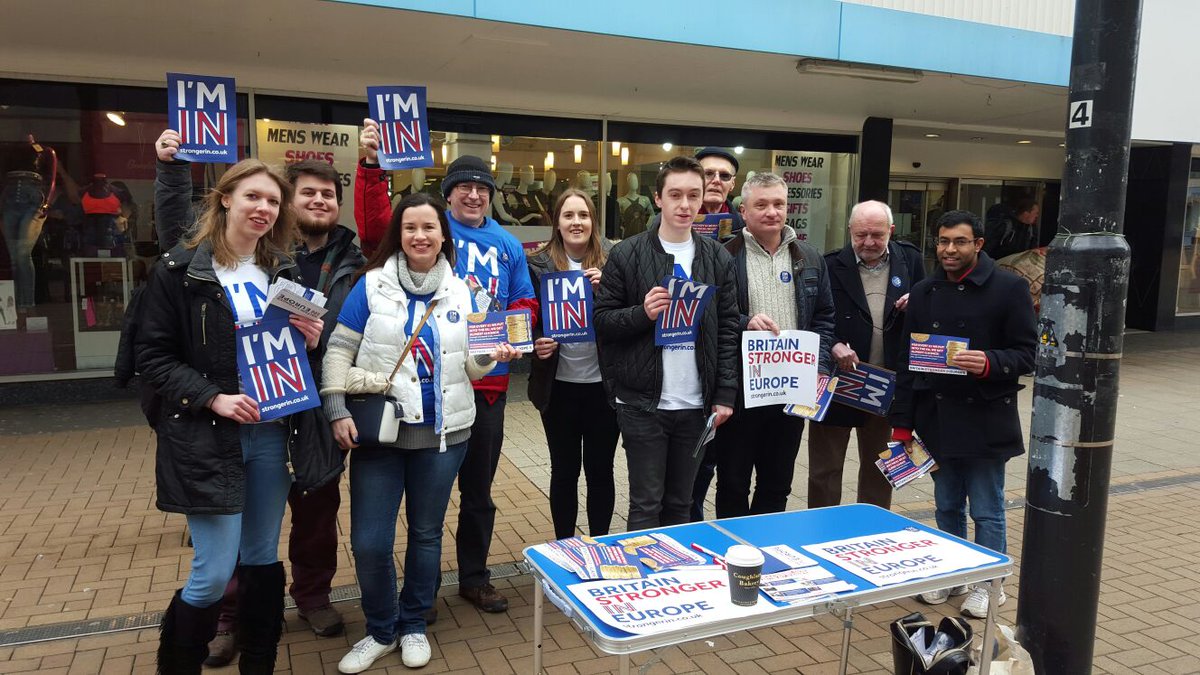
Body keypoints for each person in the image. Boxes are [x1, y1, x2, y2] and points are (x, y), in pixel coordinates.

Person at [153, 130, 365, 664]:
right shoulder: (184, 268)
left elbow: (286, 351)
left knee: (260, 559)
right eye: (253, 196)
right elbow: (152, 359)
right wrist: (213, 398)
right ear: (225, 198)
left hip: (272, 435)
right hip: (210, 437)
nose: (263, 208)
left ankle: (259, 661)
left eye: (271, 200)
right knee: (212, 572)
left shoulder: (280, 269)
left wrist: (308, 342)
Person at [321, 192, 518, 672]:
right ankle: (379, 629)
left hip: (444, 436)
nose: (420, 236)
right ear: (399, 234)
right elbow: (338, 349)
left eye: (429, 227)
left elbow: (471, 366)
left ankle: (412, 624)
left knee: (426, 535)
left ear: (443, 236)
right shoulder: (370, 286)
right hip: (381, 435)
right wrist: (336, 408)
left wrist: (491, 356)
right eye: (411, 227)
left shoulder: (465, 291)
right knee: (369, 541)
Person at [355, 120, 536, 614]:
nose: (474, 195)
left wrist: (513, 337)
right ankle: (423, 590)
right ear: (449, 194)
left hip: (486, 384)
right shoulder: (429, 230)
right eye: (464, 187)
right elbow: (374, 229)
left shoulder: (508, 244)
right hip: (427, 384)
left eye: (482, 188)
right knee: (424, 499)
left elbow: (524, 300)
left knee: (478, 491)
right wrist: (371, 166)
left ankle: (474, 577)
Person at [891, 209, 1036, 618]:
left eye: (959, 241)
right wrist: (901, 424)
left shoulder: (1009, 287)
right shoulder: (923, 291)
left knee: (987, 509)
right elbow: (907, 363)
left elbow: (1029, 354)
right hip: (935, 418)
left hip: (985, 417)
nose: (949, 250)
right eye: (943, 241)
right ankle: (953, 572)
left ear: (979, 244)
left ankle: (990, 583)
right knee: (946, 506)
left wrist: (989, 362)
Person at [594, 156, 739, 531]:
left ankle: (676, 568)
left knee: (681, 504)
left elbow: (727, 329)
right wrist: (642, 313)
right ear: (658, 198)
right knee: (646, 504)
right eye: (675, 195)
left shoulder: (717, 257)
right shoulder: (627, 254)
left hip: (696, 405)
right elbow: (602, 322)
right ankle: (642, 569)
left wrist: (724, 394)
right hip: (642, 404)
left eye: (693, 195)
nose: (685, 204)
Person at [712, 172, 835, 518]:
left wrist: (819, 367)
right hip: (741, 390)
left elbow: (825, 317)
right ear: (743, 210)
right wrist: (745, 322)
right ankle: (734, 544)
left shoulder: (810, 257)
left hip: (791, 391)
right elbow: (711, 317)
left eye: (779, 204)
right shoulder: (723, 256)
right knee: (733, 482)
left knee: (777, 484)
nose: (772, 212)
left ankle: (766, 544)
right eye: (762, 204)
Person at [807, 200, 924, 510]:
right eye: (860, 235)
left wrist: (919, 303)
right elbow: (813, 316)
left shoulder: (910, 260)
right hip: (837, 383)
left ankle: (873, 525)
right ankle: (821, 526)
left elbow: (930, 311)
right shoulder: (828, 264)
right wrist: (833, 345)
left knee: (880, 469)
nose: (868, 242)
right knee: (824, 470)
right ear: (849, 231)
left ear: (891, 231)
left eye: (877, 235)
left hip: (884, 385)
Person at [527, 189, 619, 540]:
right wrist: (536, 342)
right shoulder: (538, 264)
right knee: (563, 471)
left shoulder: (613, 260)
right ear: (557, 222)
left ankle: (599, 543)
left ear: (593, 221)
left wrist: (606, 289)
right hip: (558, 388)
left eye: (583, 215)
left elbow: (629, 314)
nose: (576, 222)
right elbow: (527, 317)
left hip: (603, 388)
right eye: (568, 215)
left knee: (600, 470)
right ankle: (565, 544)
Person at [688, 146, 746, 520]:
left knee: (728, 471)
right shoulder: (668, 225)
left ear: (733, 184)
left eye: (724, 176)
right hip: (684, 367)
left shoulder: (746, 231)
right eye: (709, 173)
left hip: (734, 369)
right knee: (689, 470)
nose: (716, 181)